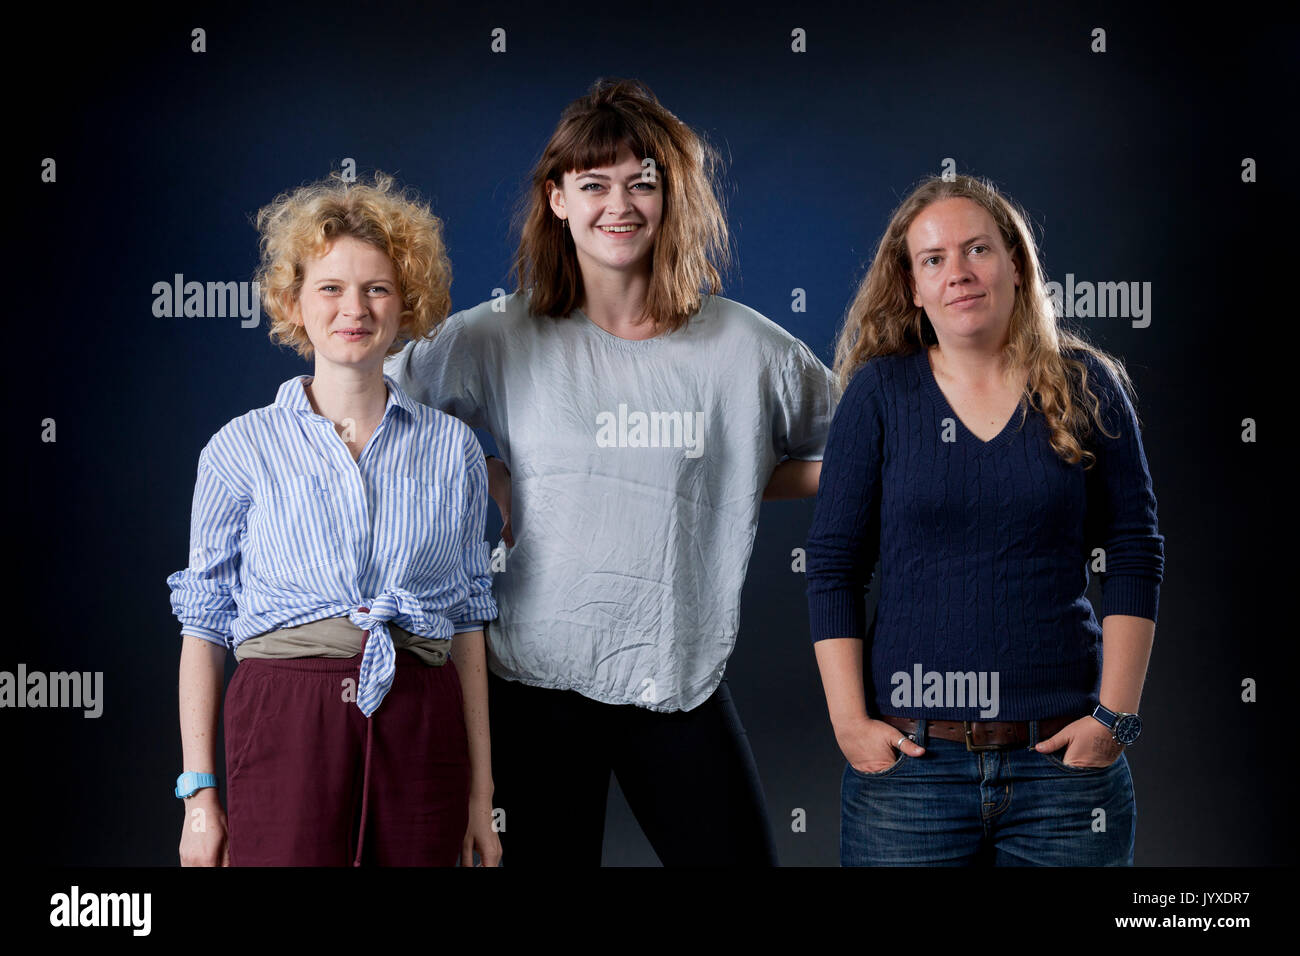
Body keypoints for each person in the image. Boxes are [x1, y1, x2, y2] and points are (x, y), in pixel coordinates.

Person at [385, 78, 837, 866]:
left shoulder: (749, 349)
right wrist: (486, 472)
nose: (618, 205)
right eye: (593, 184)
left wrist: (727, 477)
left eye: (642, 182)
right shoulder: (500, 336)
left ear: (672, 198)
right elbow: (375, 406)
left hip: (674, 673)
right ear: (558, 199)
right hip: (533, 678)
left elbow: (861, 450)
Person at [805, 173, 1164, 866]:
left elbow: (1134, 551)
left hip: (1063, 769)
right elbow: (833, 567)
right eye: (934, 259)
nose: (959, 273)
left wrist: (1114, 719)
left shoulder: (1088, 384)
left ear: (1016, 264)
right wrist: (850, 722)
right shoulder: (880, 395)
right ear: (911, 285)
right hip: (912, 771)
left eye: (978, 250)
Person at [168, 172, 500, 867]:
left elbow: (469, 624)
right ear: (294, 301)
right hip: (284, 716)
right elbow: (203, 623)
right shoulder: (240, 448)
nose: (355, 308)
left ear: (406, 302)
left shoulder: (454, 450)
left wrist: (481, 796)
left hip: (422, 714)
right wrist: (200, 797)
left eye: (377, 288)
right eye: (330, 288)